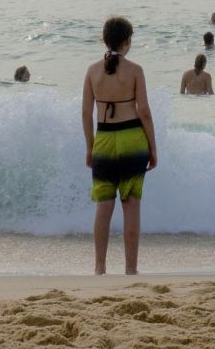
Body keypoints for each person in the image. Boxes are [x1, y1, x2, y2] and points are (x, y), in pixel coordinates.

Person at [83, 17, 156, 275]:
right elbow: (144, 111)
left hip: (104, 139)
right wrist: (153, 148)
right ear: (127, 41)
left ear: (105, 39)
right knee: (131, 205)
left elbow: (85, 114)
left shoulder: (92, 71)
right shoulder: (135, 70)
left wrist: (90, 147)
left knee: (104, 206)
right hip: (132, 139)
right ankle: (131, 269)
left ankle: (99, 268)